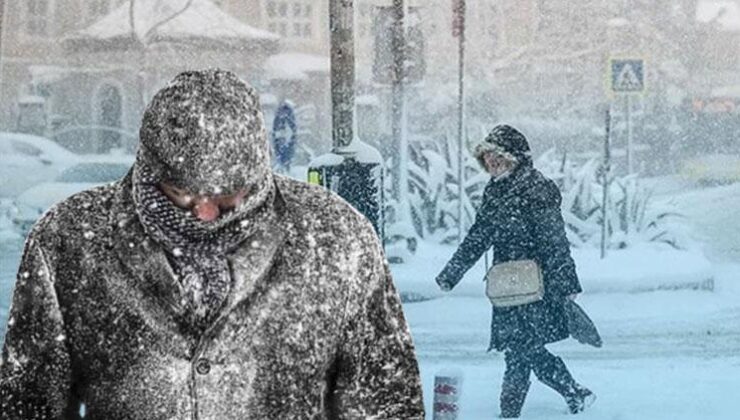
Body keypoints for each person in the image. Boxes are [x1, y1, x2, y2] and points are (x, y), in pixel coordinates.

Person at [0, 69, 424, 419]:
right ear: (149, 169)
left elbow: (385, 401)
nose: (204, 213)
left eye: (226, 197)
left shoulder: (335, 237)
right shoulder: (69, 239)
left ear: (258, 172)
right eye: (181, 194)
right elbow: (28, 403)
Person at [435, 125, 594, 418]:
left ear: (515, 158)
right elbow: (479, 236)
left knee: (521, 351)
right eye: (488, 158)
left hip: (537, 284)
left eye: (499, 157)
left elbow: (554, 240)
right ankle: (572, 392)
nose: (492, 163)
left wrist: (566, 282)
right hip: (508, 285)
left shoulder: (536, 188)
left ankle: (511, 413)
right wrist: (451, 273)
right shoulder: (495, 191)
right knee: (522, 350)